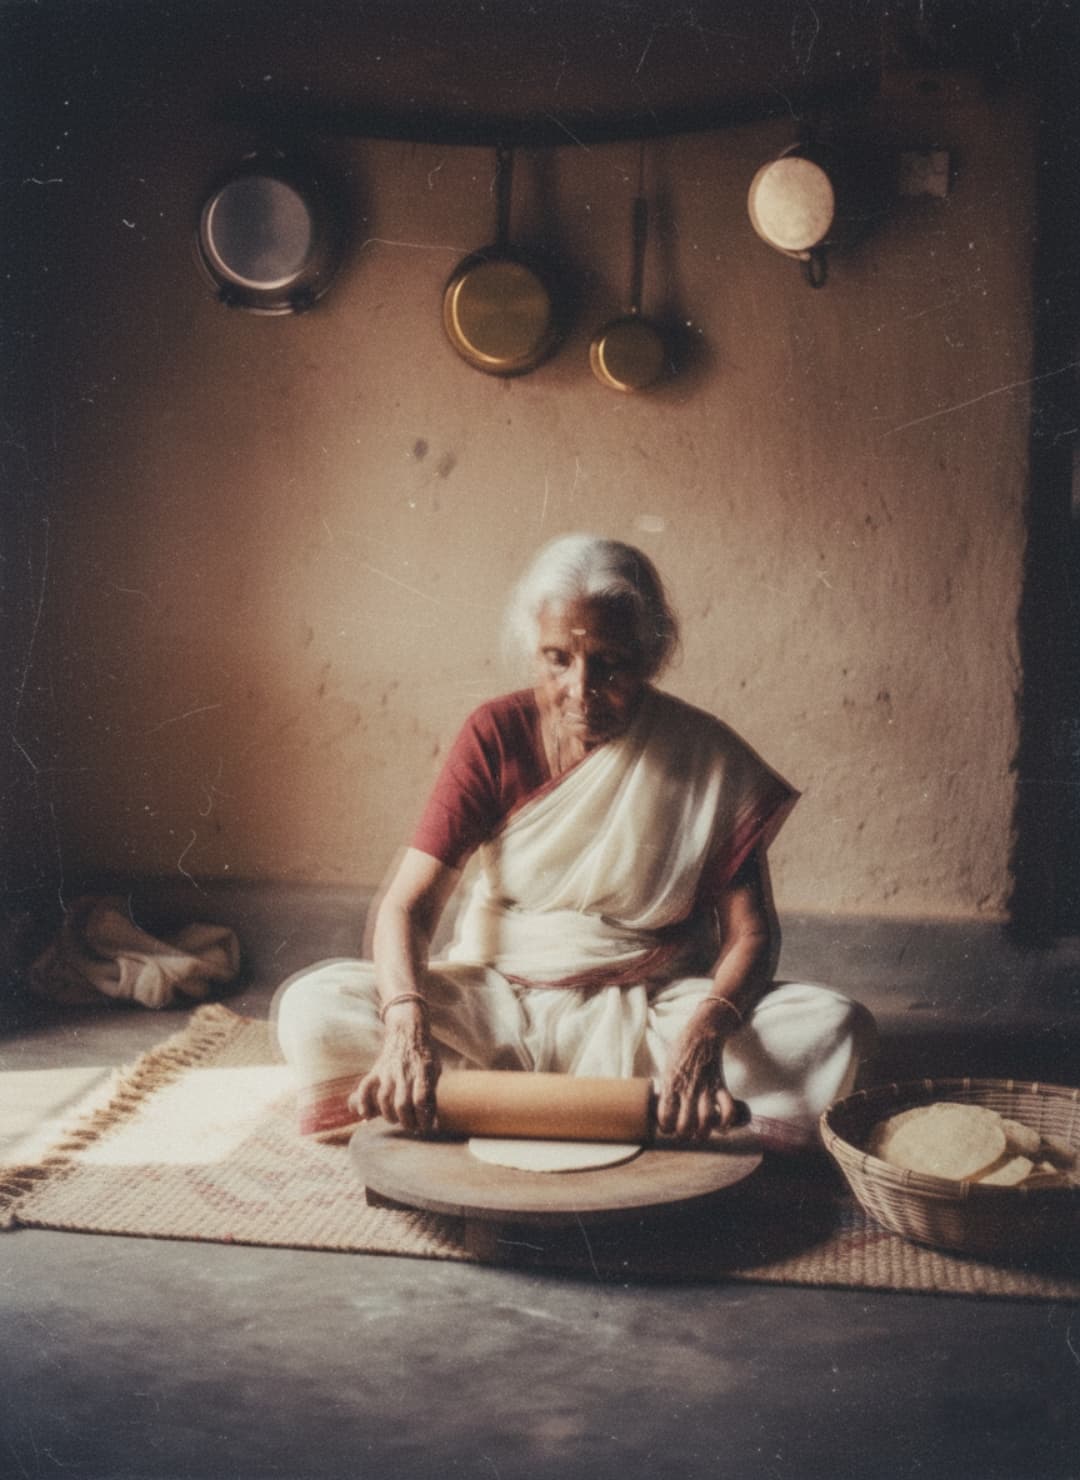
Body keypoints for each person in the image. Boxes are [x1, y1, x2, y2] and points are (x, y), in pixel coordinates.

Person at [275, 534, 874, 1149]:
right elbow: (406, 906)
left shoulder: (704, 756)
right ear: (533, 651)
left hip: (646, 1005)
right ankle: (641, 1110)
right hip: (498, 1001)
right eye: (557, 659)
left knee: (834, 1029)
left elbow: (751, 934)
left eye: (609, 664)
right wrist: (406, 1028)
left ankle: (490, 1101)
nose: (580, 689)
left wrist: (703, 1039)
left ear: (652, 654)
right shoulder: (495, 735)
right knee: (316, 1005)